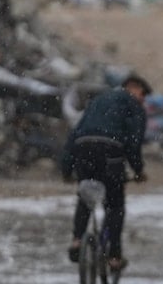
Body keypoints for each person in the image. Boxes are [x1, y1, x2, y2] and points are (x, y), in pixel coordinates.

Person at [61, 74, 150, 271]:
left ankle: (77, 240)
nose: (144, 99)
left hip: (83, 149)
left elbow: (75, 133)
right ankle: (114, 257)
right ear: (133, 87)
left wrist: (66, 169)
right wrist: (138, 170)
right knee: (115, 205)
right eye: (143, 94)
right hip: (111, 152)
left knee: (85, 195)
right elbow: (134, 143)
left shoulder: (98, 101)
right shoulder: (135, 107)